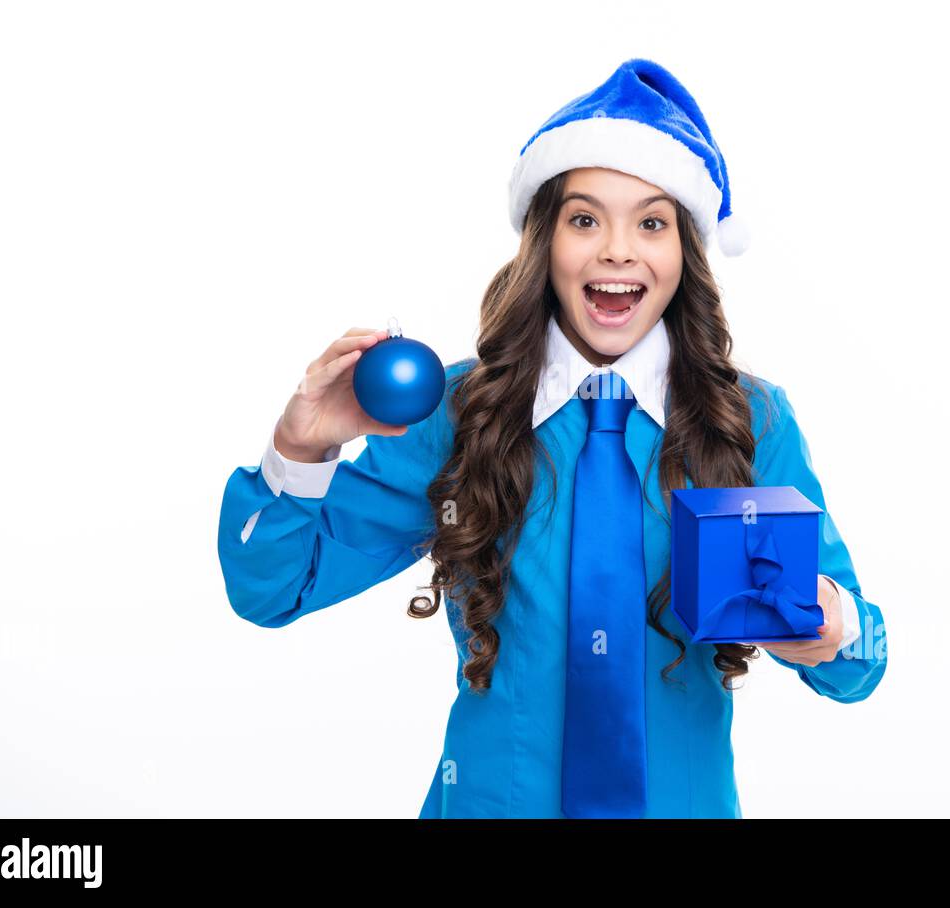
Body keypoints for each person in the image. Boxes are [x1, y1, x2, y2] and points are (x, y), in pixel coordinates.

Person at [216, 57, 887, 818]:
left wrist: (833, 622)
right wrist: (301, 448)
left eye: (653, 222)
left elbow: (864, 665)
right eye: (585, 219)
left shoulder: (750, 421)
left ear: (684, 253)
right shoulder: (461, 411)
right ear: (546, 242)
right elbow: (270, 590)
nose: (617, 250)